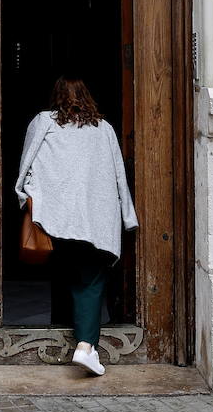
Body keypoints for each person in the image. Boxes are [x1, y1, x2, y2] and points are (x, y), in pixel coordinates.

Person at [14, 76, 138, 377]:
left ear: (55, 96)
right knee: (91, 281)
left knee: (65, 275)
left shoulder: (43, 122)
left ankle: (67, 335)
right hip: (94, 220)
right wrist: (127, 215)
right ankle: (85, 346)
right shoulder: (104, 129)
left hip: (54, 218)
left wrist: (26, 195)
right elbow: (118, 174)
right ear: (88, 97)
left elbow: (27, 163)